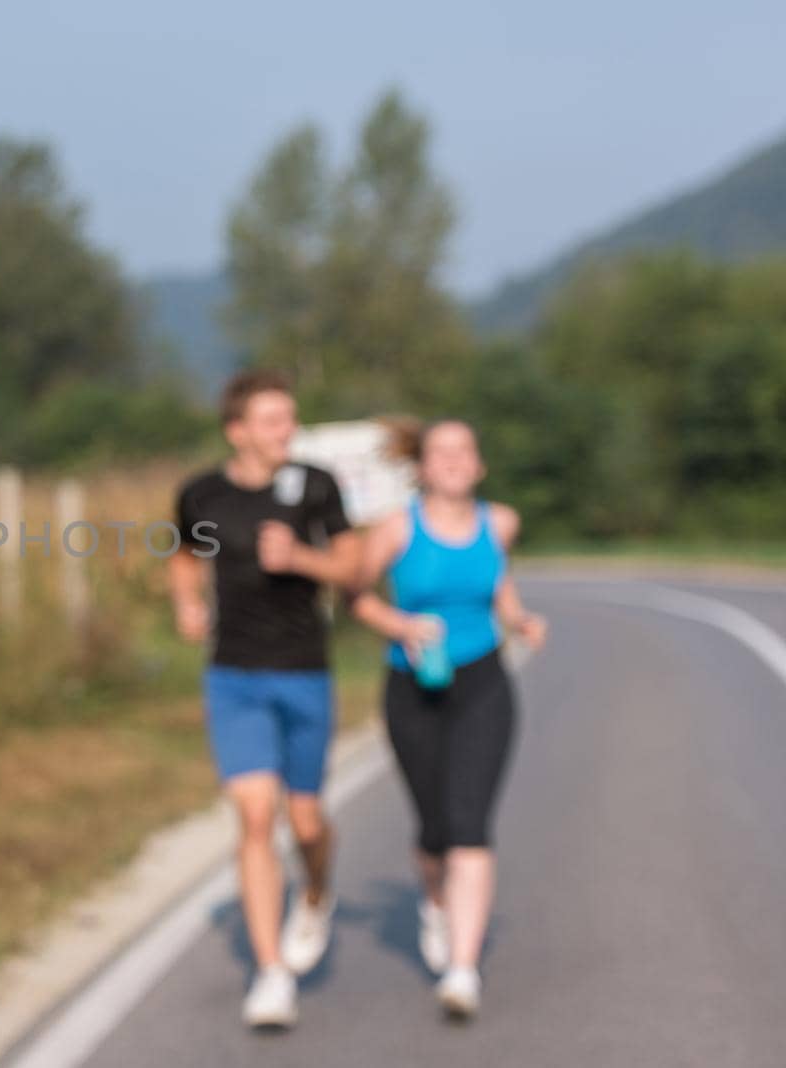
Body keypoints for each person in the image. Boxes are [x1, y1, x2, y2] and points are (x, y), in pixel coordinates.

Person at [170, 369, 359, 1029]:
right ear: (238, 430)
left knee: (305, 821)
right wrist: (188, 602)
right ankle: (272, 972)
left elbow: (355, 567)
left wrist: (305, 561)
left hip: (305, 671)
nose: (288, 431)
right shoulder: (202, 493)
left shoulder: (316, 485)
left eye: (291, 419)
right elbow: (185, 557)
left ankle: (315, 891)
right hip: (234, 676)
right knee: (255, 818)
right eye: (274, 420)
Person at [348, 418, 546, 1020]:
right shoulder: (394, 530)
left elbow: (499, 587)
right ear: (423, 468)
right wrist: (402, 626)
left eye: (466, 450)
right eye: (442, 452)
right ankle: (434, 901)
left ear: (479, 464)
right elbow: (357, 597)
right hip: (412, 687)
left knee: (470, 825)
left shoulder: (501, 523)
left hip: (483, 682)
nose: (456, 461)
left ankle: (462, 970)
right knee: (434, 828)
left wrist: (520, 620)